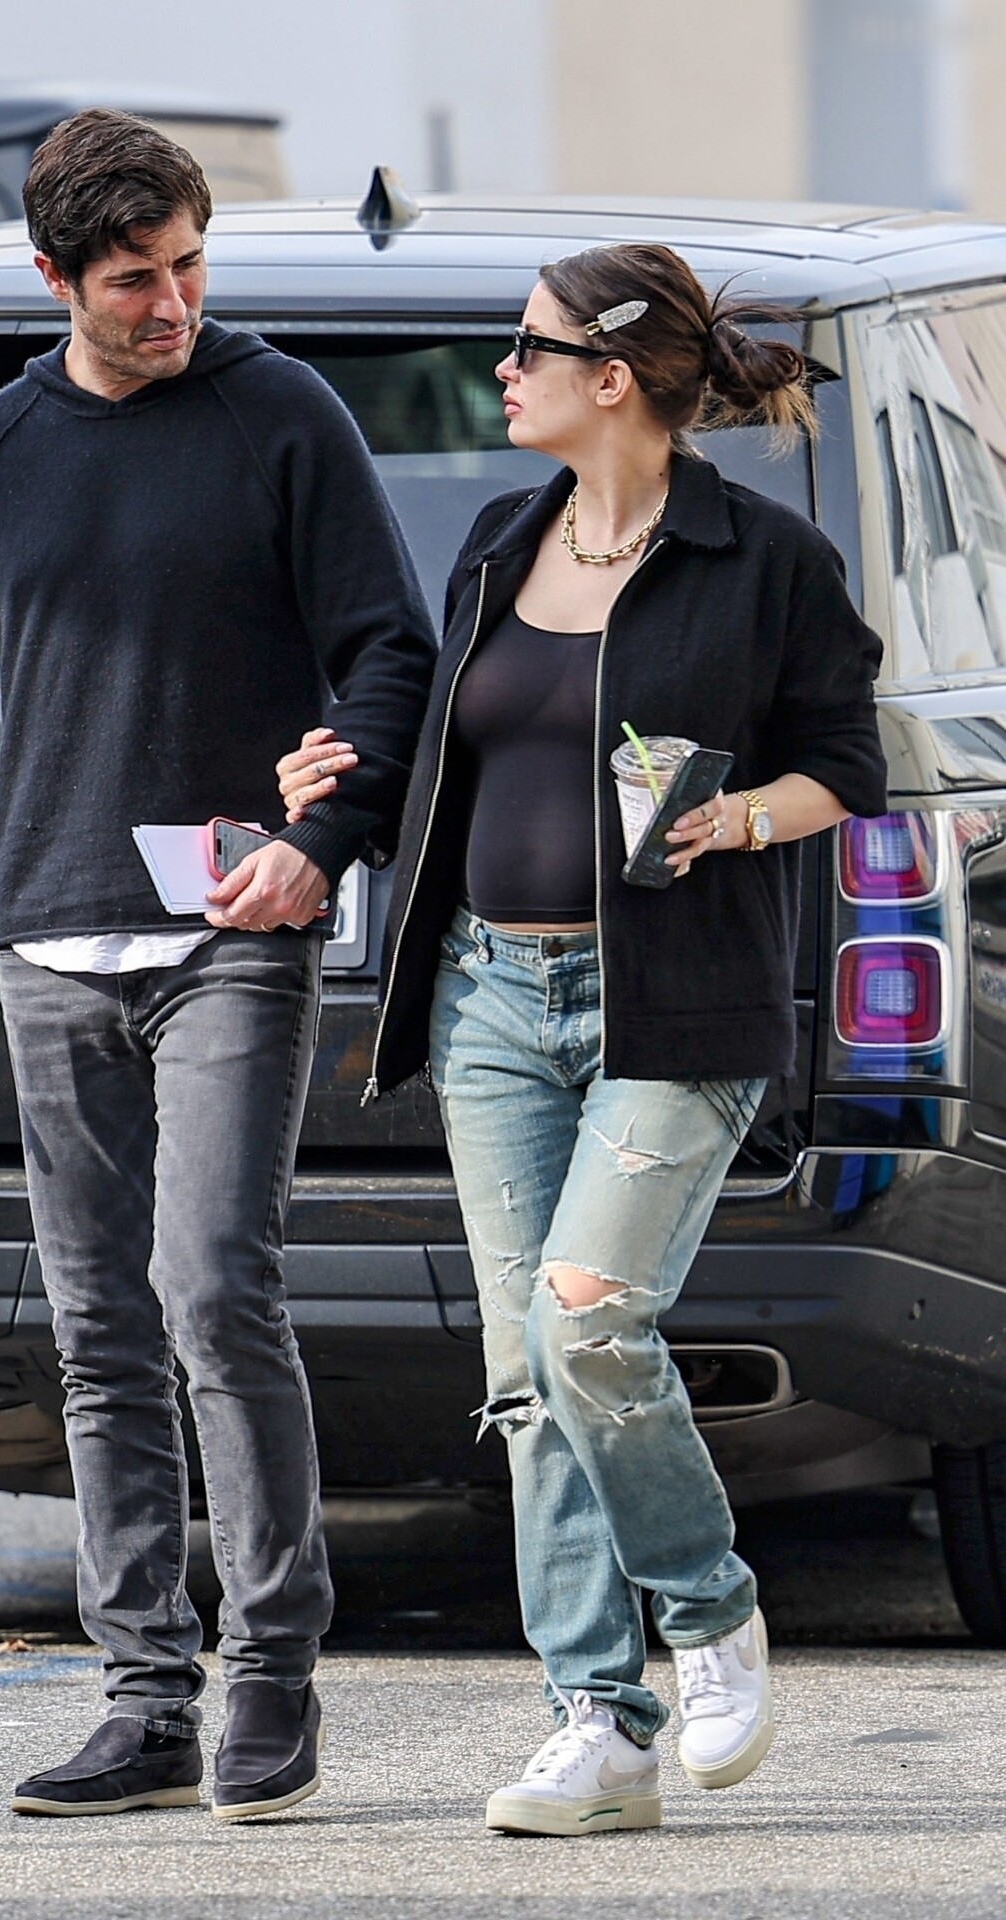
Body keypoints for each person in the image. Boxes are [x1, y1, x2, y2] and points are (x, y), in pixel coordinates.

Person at [0, 108, 435, 1821]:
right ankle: (146, 1699)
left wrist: (325, 839)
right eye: (134, 281)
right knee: (96, 1330)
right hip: (53, 936)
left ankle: (273, 1673)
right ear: (56, 278)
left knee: (215, 1292)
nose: (173, 305)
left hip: (235, 933)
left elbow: (391, 654)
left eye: (188, 267)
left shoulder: (280, 414)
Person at [277, 242, 887, 1837]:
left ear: (610, 377)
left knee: (587, 1326)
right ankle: (600, 1729)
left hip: (670, 1002)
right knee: (527, 1382)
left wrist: (739, 817)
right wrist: (337, 786)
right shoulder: (501, 542)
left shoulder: (764, 560)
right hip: (490, 996)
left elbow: (846, 762)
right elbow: (452, 758)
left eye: (527, 346)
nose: (502, 370)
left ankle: (710, 1611)